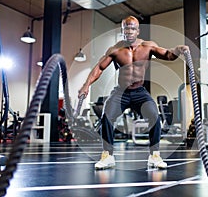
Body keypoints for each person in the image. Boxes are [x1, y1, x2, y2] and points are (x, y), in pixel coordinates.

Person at [78, 16, 189, 170]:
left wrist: (178, 50)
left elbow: (168, 55)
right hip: (120, 92)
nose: (129, 31)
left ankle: (154, 155)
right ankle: (107, 155)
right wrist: (86, 85)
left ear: (138, 30)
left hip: (140, 92)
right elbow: (99, 68)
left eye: (132, 28)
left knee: (154, 116)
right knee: (106, 117)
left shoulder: (148, 46)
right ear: (122, 30)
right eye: (126, 28)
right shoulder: (115, 49)